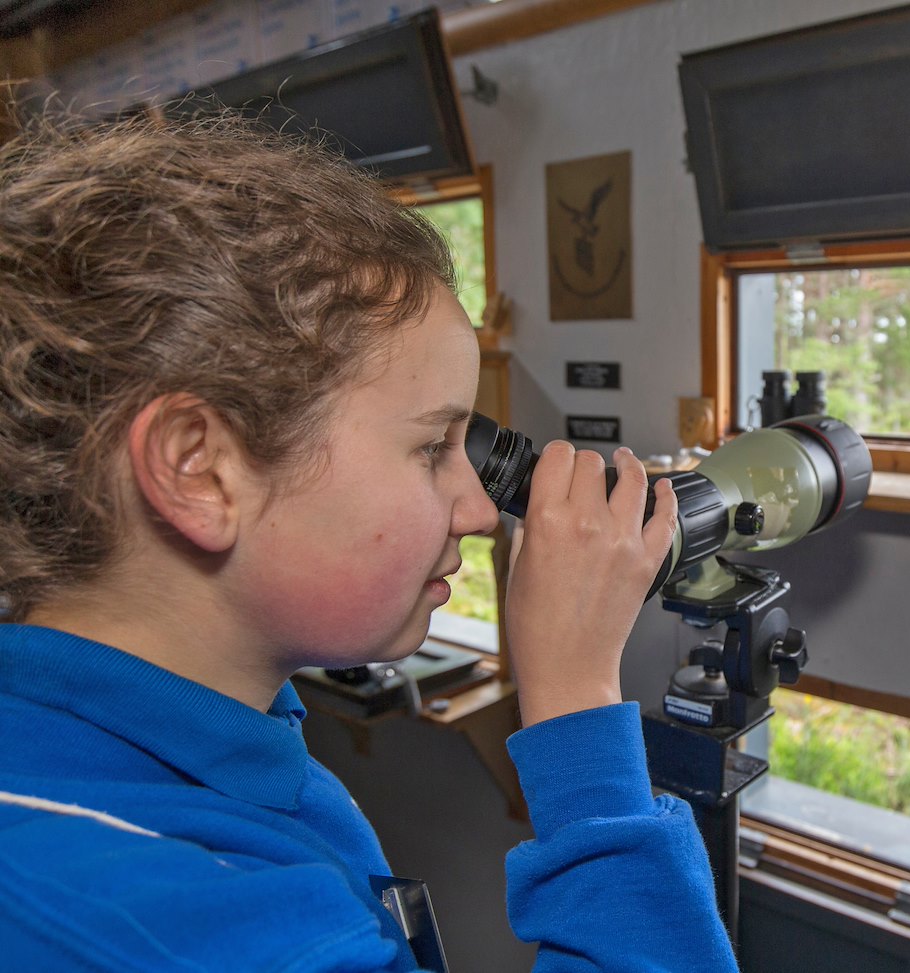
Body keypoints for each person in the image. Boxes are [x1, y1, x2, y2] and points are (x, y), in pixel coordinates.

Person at [0, 108, 738, 972]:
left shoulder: (147, 737)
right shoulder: (196, 926)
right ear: (198, 470)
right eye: (431, 448)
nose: (474, 508)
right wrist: (575, 700)